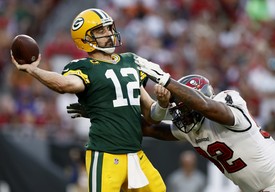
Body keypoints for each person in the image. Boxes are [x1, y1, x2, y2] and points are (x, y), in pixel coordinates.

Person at [11, 8, 170, 192]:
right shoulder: (85, 67)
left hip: (136, 153)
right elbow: (65, 85)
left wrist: (163, 104)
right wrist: (33, 70)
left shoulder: (130, 61)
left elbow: (152, 117)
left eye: (109, 28)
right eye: (101, 31)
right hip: (106, 154)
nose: (109, 33)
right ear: (85, 39)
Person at [133, 57, 275, 192]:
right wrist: (132, 87)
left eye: (185, 107)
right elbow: (149, 128)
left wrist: (165, 80)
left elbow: (206, 107)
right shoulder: (191, 128)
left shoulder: (229, 101)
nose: (182, 115)